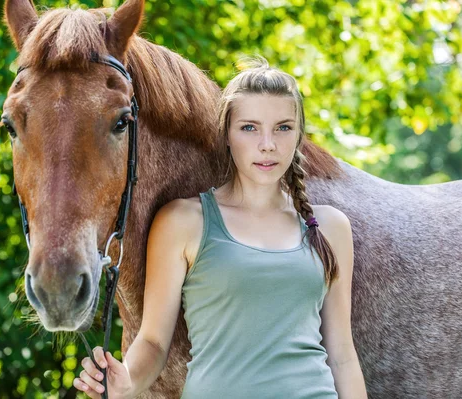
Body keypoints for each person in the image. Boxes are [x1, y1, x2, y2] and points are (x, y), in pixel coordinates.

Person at [73, 57, 368, 398]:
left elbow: (343, 356)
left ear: (299, 134)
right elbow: (153, 342)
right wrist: (127, 381)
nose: (267, 144)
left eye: (283, 127)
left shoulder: (329, 227)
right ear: (227, 134)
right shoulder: (183, 221)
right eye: (249, 127)